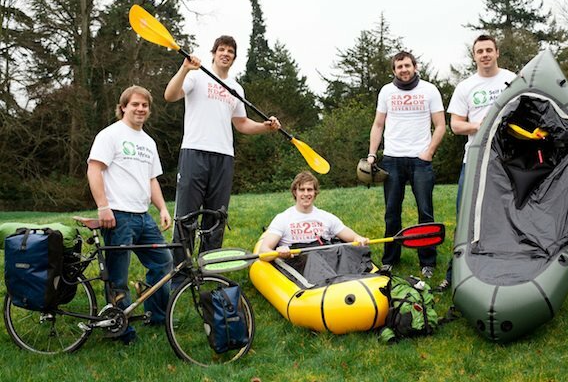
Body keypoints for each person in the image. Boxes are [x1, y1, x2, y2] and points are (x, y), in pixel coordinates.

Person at [164, 35, 280, 283]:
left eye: (230, 51)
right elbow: (170, 95)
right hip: (195, 152)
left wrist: (265, 127)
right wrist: (184, 68)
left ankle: (209, 272)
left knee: (216, 217)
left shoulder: (236, 89)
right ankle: (181, 277)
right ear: (214, 53)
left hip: (224, 157)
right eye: (222, 50)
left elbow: (241, 123)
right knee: (186, 217)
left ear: (234, 58)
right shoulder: (196, 76)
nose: (226, 54)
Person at [87, 85, 173, 344]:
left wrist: (162, 208)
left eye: (145, 105)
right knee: (118, 277)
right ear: (123, 106)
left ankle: (157, 316)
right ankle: (120, 330)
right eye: (135, 104)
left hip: (143, 216)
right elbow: (94, 169)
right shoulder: (110, 135)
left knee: (163, 262)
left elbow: (151, 179)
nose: (140, 109)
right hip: (118, 216)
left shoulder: (148, 142)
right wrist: (103, 207)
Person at [437, 34, 517, 291]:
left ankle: (505, 271)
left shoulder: (512, 80)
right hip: (473, 161)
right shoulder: (465, 87)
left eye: (488, 50)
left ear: (497, 53)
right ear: (474, 56)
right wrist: (479, 125)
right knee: (466, 216)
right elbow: (455, 125)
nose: (485, 55)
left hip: (507, 160)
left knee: (507, 215)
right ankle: (455, 274)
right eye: (480, 51)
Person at [367, 51, 446, 279]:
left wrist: (429, 152)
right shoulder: (386, 91)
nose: (404, 70)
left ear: (415, 66)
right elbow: (378, 125)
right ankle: (390, 260)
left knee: (425, 212)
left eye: (407, 65)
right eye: (399, 66)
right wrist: (372, 154)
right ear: (394, 70)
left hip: (420, 161)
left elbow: (441, 125)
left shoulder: (429, 90)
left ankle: (427, 262)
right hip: (392, 159)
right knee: (392, 212)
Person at [259, 171, 368, 259]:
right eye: (302, 190)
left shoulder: (327, 217)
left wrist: (358, 238)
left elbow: (353, 237)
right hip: (298, 265)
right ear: (295, 192)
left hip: (326, 261)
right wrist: (278, 252)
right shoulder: (282, 219)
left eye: (310, 190)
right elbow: (263, 251)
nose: (306, 194)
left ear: (315, 192)